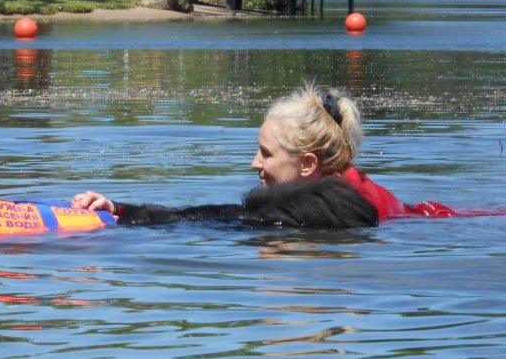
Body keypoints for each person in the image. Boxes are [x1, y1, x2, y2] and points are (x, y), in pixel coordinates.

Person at [72, 83, 455, 223]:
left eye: (265, 154)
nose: (255, 164)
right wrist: (119, 208)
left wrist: (124, 214)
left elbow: (231, 218)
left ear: (307, 165)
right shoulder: (337, 184)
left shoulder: (335, 201)